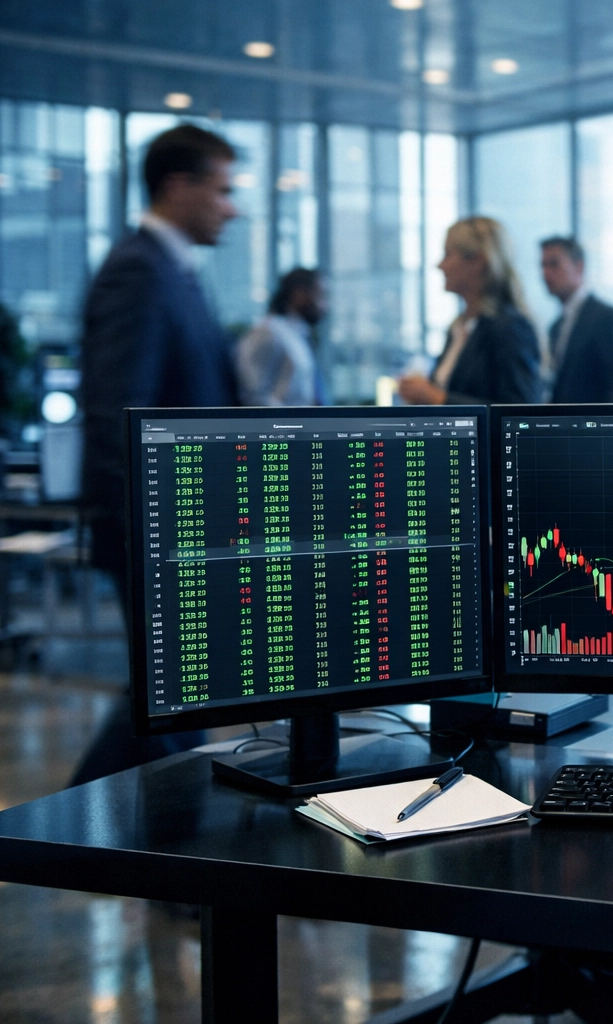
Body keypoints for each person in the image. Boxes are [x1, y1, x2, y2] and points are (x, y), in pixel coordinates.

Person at [72, 124, 240, 786]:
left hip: (181, 533)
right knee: (169, 702)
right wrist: (154, 543)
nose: (232, 207)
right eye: (223, 190)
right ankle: (61, 841)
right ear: (179, 185)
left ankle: (167, 870)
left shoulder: (172, 270)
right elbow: (116, 415)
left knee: (174, 701)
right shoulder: (138, 271)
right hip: (157, 538)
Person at [398, 217, 541, 406]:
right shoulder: (459, 328)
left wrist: (436, 398)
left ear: (478, 261)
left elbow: (518, 411)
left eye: (448, 254)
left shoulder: (509, 328)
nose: (440, 265)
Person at [539, 236, 613, 403]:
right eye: (543, 265)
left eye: (554, 264)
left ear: (579, 267)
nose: (545, 273)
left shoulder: (609, 319)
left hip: (596, 427)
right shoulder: (556, 326)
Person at [236, 267, 328, 406]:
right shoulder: (267, 332)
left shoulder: (298, 334)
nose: (325, 306)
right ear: (299, 294)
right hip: (284, 425)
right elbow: (253, 396)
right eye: (320, 295)